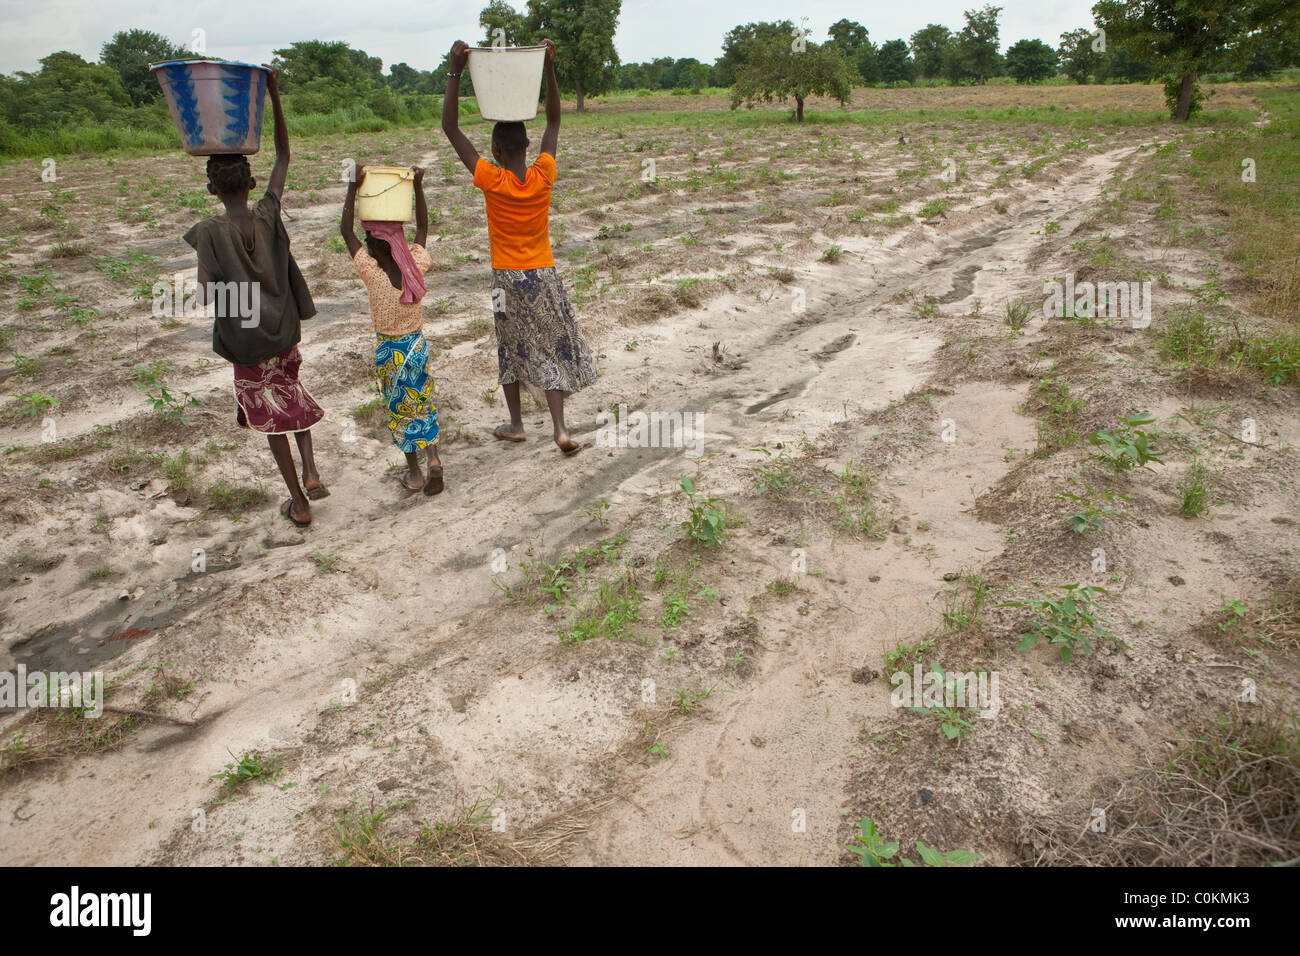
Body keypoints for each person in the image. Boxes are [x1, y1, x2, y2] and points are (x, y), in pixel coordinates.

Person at [183, 66, 325, 526]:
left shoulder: (208, 231)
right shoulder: (267, 214)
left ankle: (298, 504)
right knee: (291, 392)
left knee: (269, 417)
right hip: (284, 331)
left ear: (211, 188)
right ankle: (311, 471)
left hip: (246, 342)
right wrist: (273, 94)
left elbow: (205, 296)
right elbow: (284, 154)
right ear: (249, 182)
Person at [441, 37, 596, 456]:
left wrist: (455, 70)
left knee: (508, 344)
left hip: (504, 279)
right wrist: (548, 67)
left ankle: (515, 423)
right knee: (553, 345)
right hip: (544, 273)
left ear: (495, 150)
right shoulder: (543, 174)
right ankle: (560, 429)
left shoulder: (492, 180)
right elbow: (554, 123)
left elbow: (450, 129)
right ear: (528, 146)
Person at [340, 165, 443, 495]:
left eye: (368, 240)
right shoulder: (414, 267)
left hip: (390, 353)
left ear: (372, 246)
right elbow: (424, 227)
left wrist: (353, 188)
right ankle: (434, 458)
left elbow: (345, 232)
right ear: (398, 241)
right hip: (417, 348)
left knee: (400, 409)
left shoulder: (372, 273)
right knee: (421, 401)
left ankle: (414, 473)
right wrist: (418, 188)